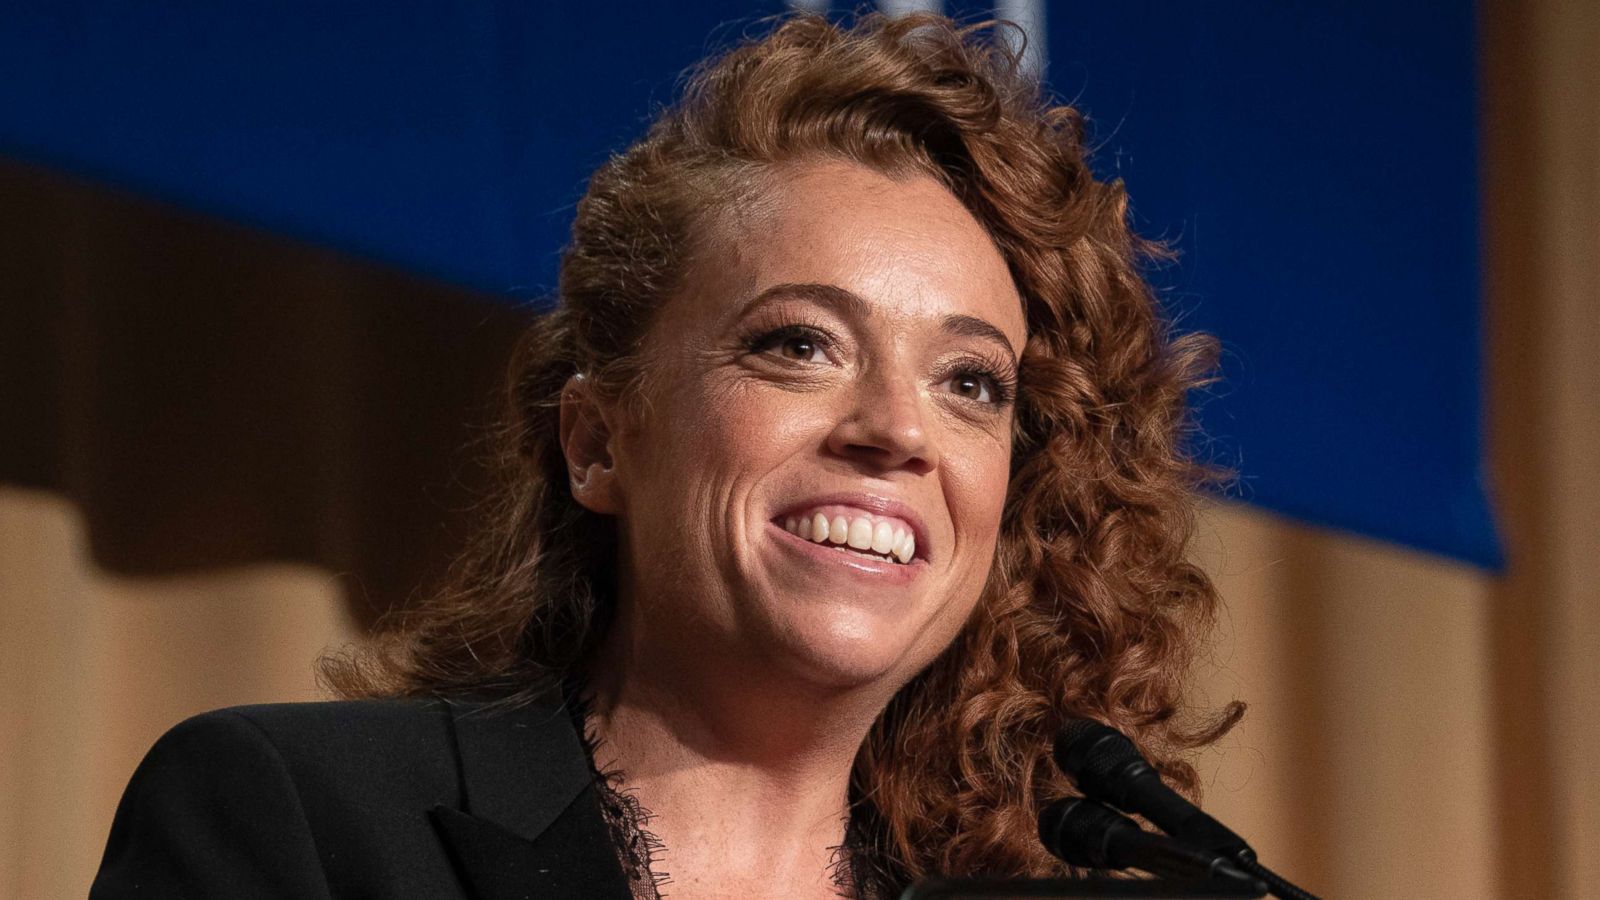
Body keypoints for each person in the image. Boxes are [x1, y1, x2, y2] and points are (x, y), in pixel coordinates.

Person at [91, 12, 1240, 900]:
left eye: (971, 383)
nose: (896, 429)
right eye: (799, 345)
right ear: (598, 442)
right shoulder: (302, 819)